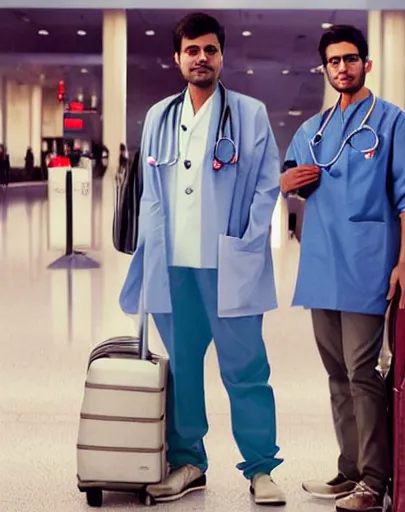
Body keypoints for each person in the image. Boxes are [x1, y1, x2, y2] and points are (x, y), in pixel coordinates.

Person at [118, 12, 285, 506]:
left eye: (210, 50)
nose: (201, 58)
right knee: (183, 368)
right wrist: (149, 256)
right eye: (192, 50)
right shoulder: (158, 117)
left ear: (221, 56)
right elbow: (149, 194)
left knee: (245, 367)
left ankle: (260, 469)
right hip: (173, 265)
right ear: (177, 58)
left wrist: (249, 245)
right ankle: (189, 462)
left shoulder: (249, 114)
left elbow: (266, 185)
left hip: (227, 262)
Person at [280, 25, 405, 512]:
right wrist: (285, 181)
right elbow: (286, 179)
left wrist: (403, 263)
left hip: (367, 263)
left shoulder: (392, 123)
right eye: (333, 62)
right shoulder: (312, 129)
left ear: (366, 64)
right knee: (336, 373)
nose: (342, 68)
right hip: (321, 264)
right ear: (325, 69)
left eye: (350, 59)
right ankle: (350, 469)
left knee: (363, 371)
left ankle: (375, 479)